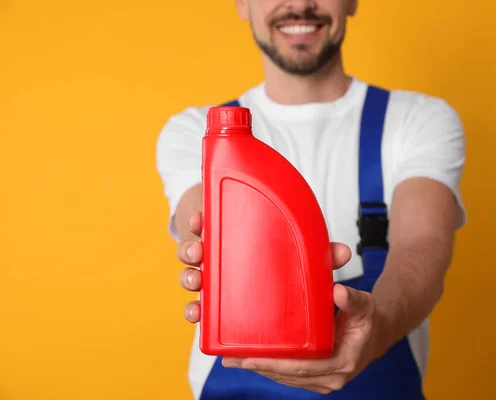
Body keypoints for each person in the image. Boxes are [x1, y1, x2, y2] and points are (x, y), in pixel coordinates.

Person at [156, 0, 467, 398]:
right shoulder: (197, 132)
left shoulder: (417, 120)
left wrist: (376, 328)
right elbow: (210, 240)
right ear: (242, 3)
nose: (300, 4)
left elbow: (423, 244)